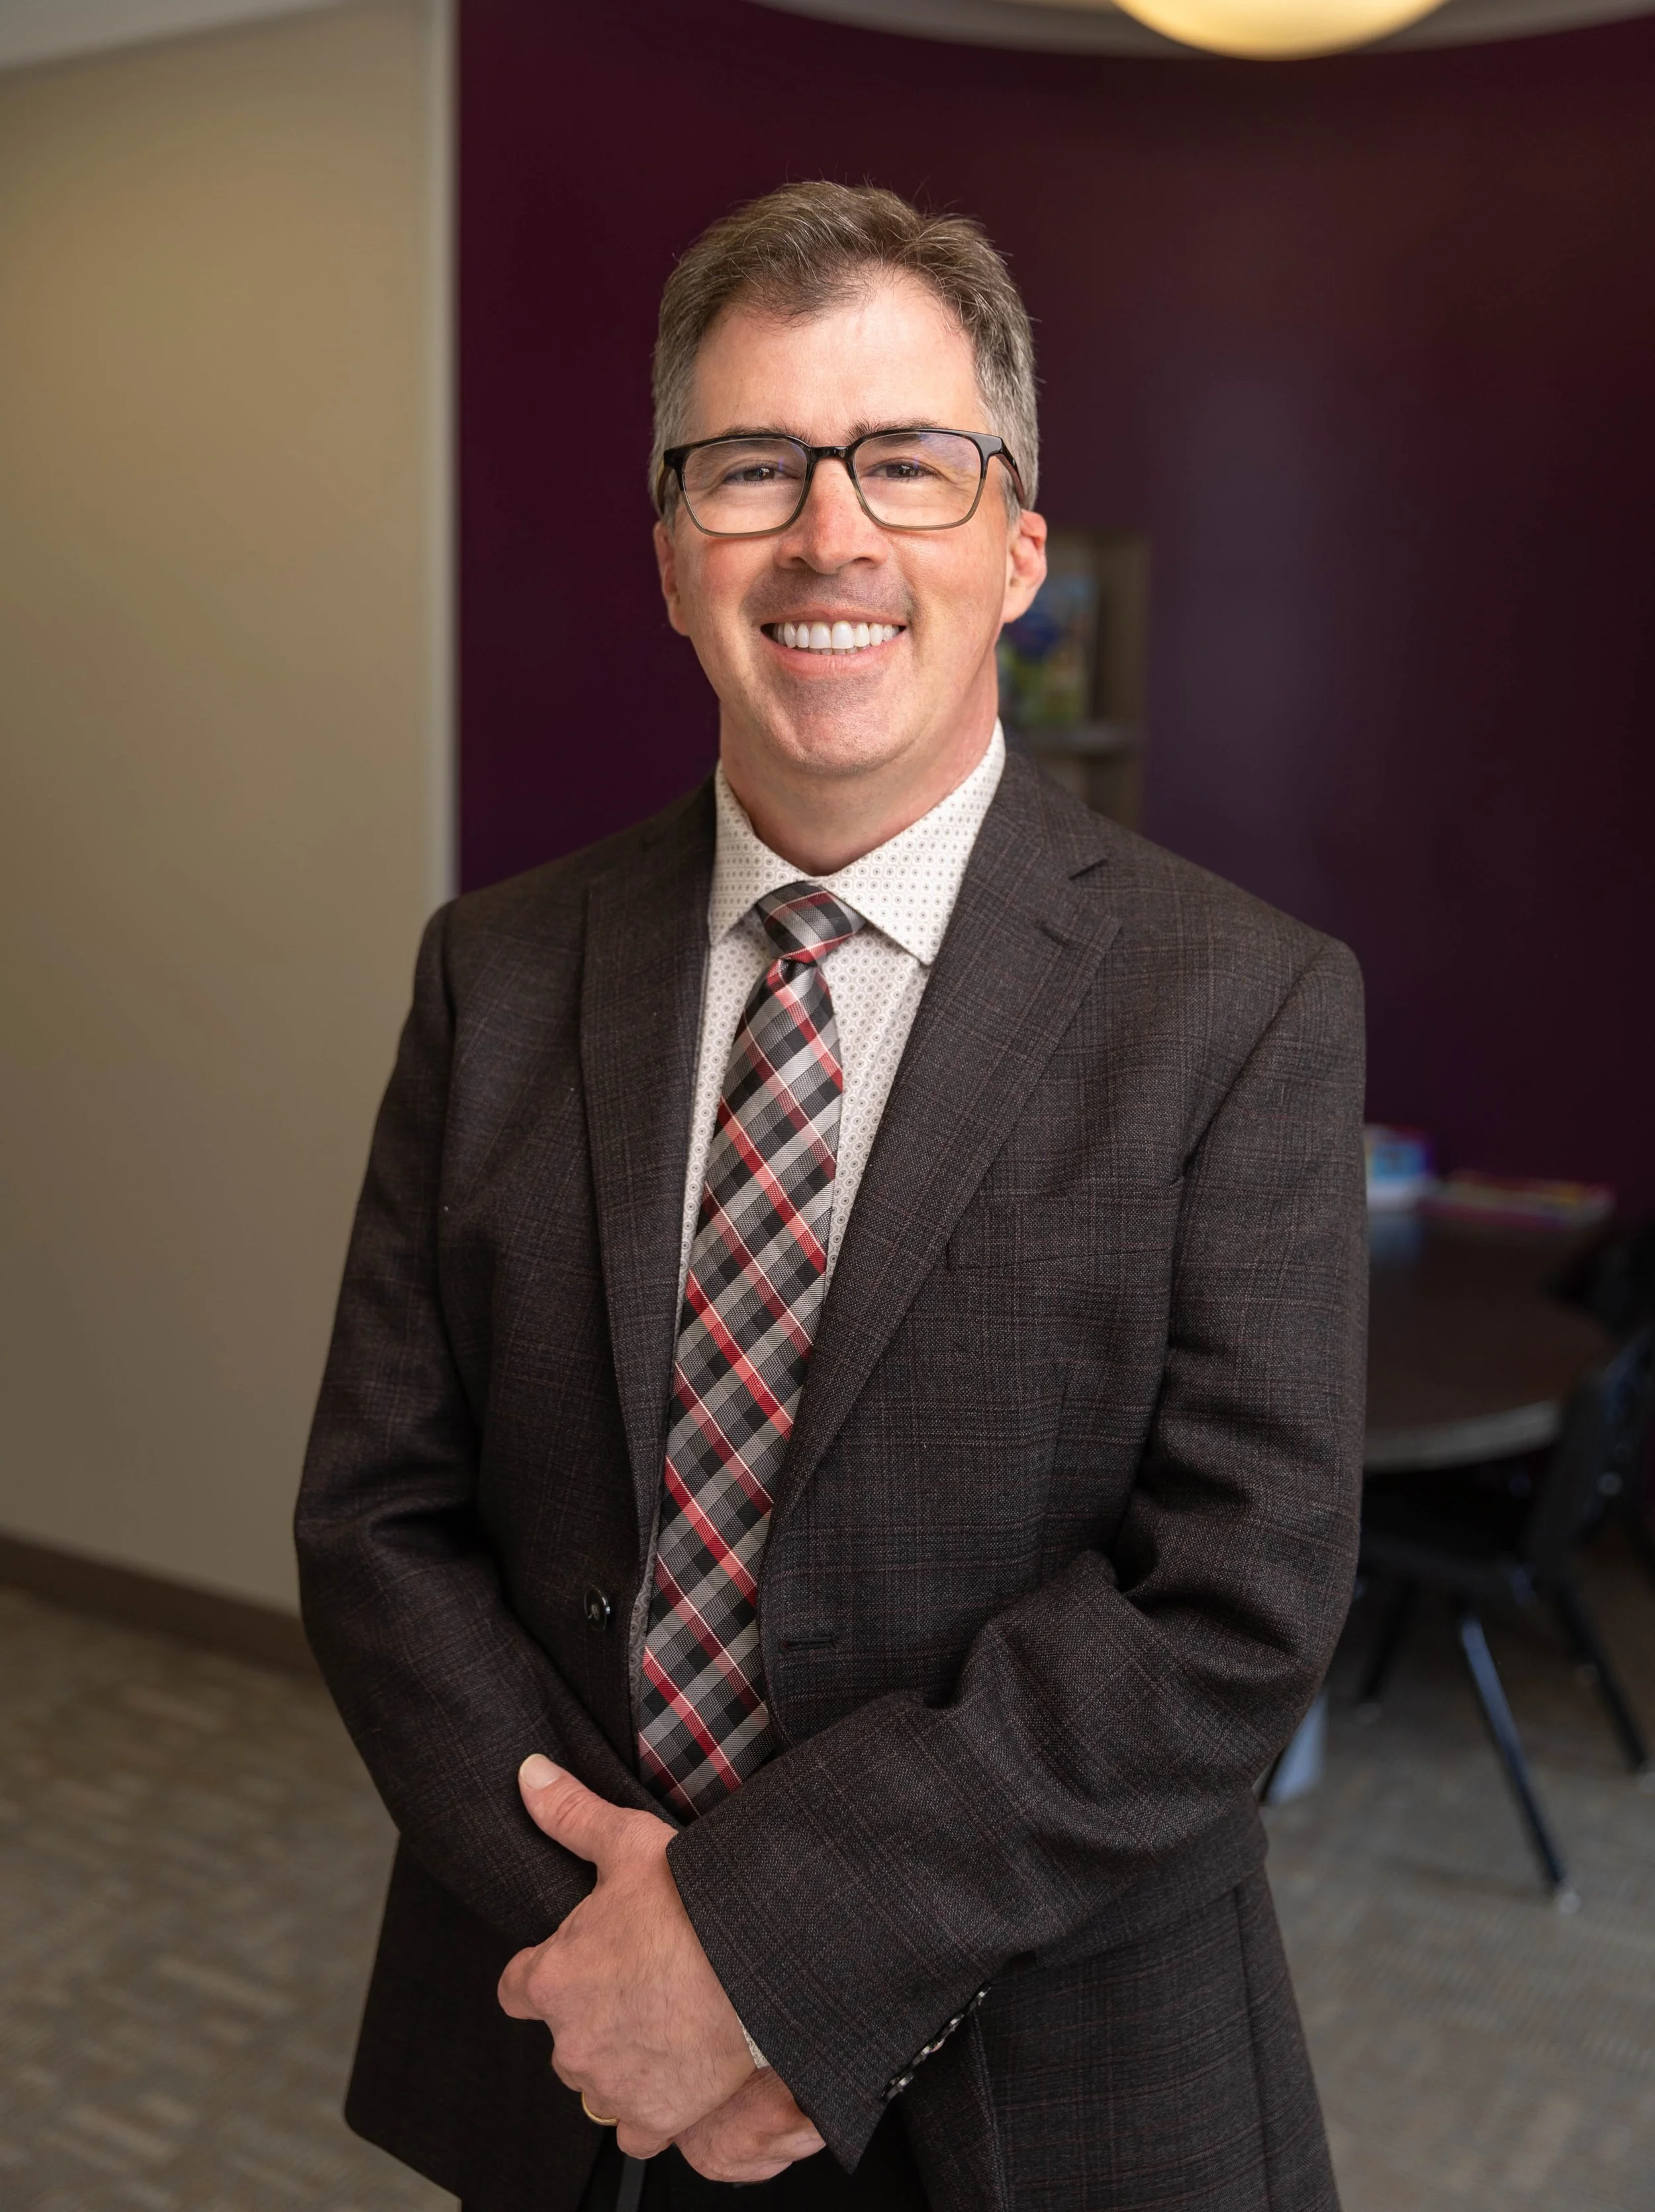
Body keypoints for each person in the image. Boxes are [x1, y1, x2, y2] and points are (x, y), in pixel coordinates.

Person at [296, 181, 1366, 2212]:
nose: (829, 532)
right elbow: (378, 1518)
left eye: (906, 461)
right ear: (668, 559)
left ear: (1017, 547)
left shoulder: (1241, 1004)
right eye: (752, 466)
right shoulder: (497, 971)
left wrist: (762, 1954)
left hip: (1048, 2083)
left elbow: (1229, 1604)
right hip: (567, 2046)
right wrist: (627, 1962)